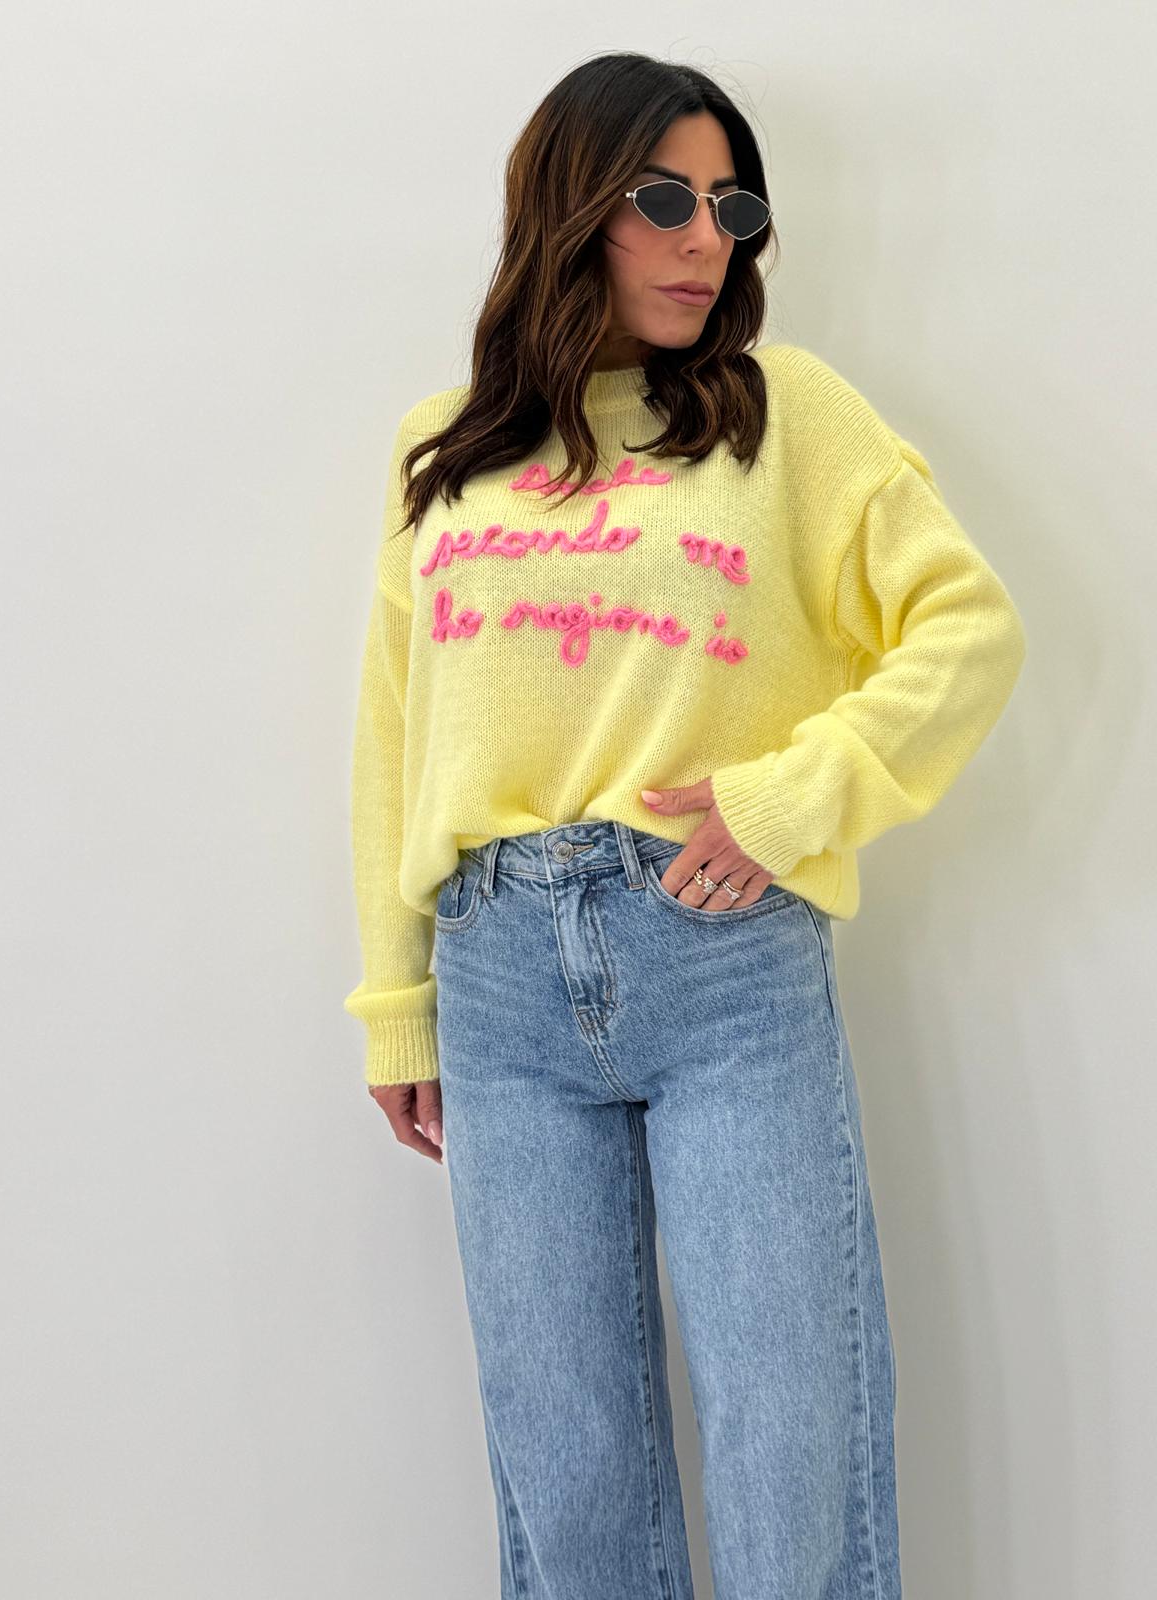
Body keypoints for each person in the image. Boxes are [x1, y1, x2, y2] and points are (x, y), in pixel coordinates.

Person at [343, 50, 1026, 1600]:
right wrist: (396, 1002)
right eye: (666, 200)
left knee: (792, 1455)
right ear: (570, 206)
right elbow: (395, 736)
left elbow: (968, 628)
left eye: (733, 208)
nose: (707, 239)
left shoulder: (784, 418)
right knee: (567, 1475)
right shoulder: (444, 453)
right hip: (499, 988)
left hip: (722, 964)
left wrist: (792, 799)